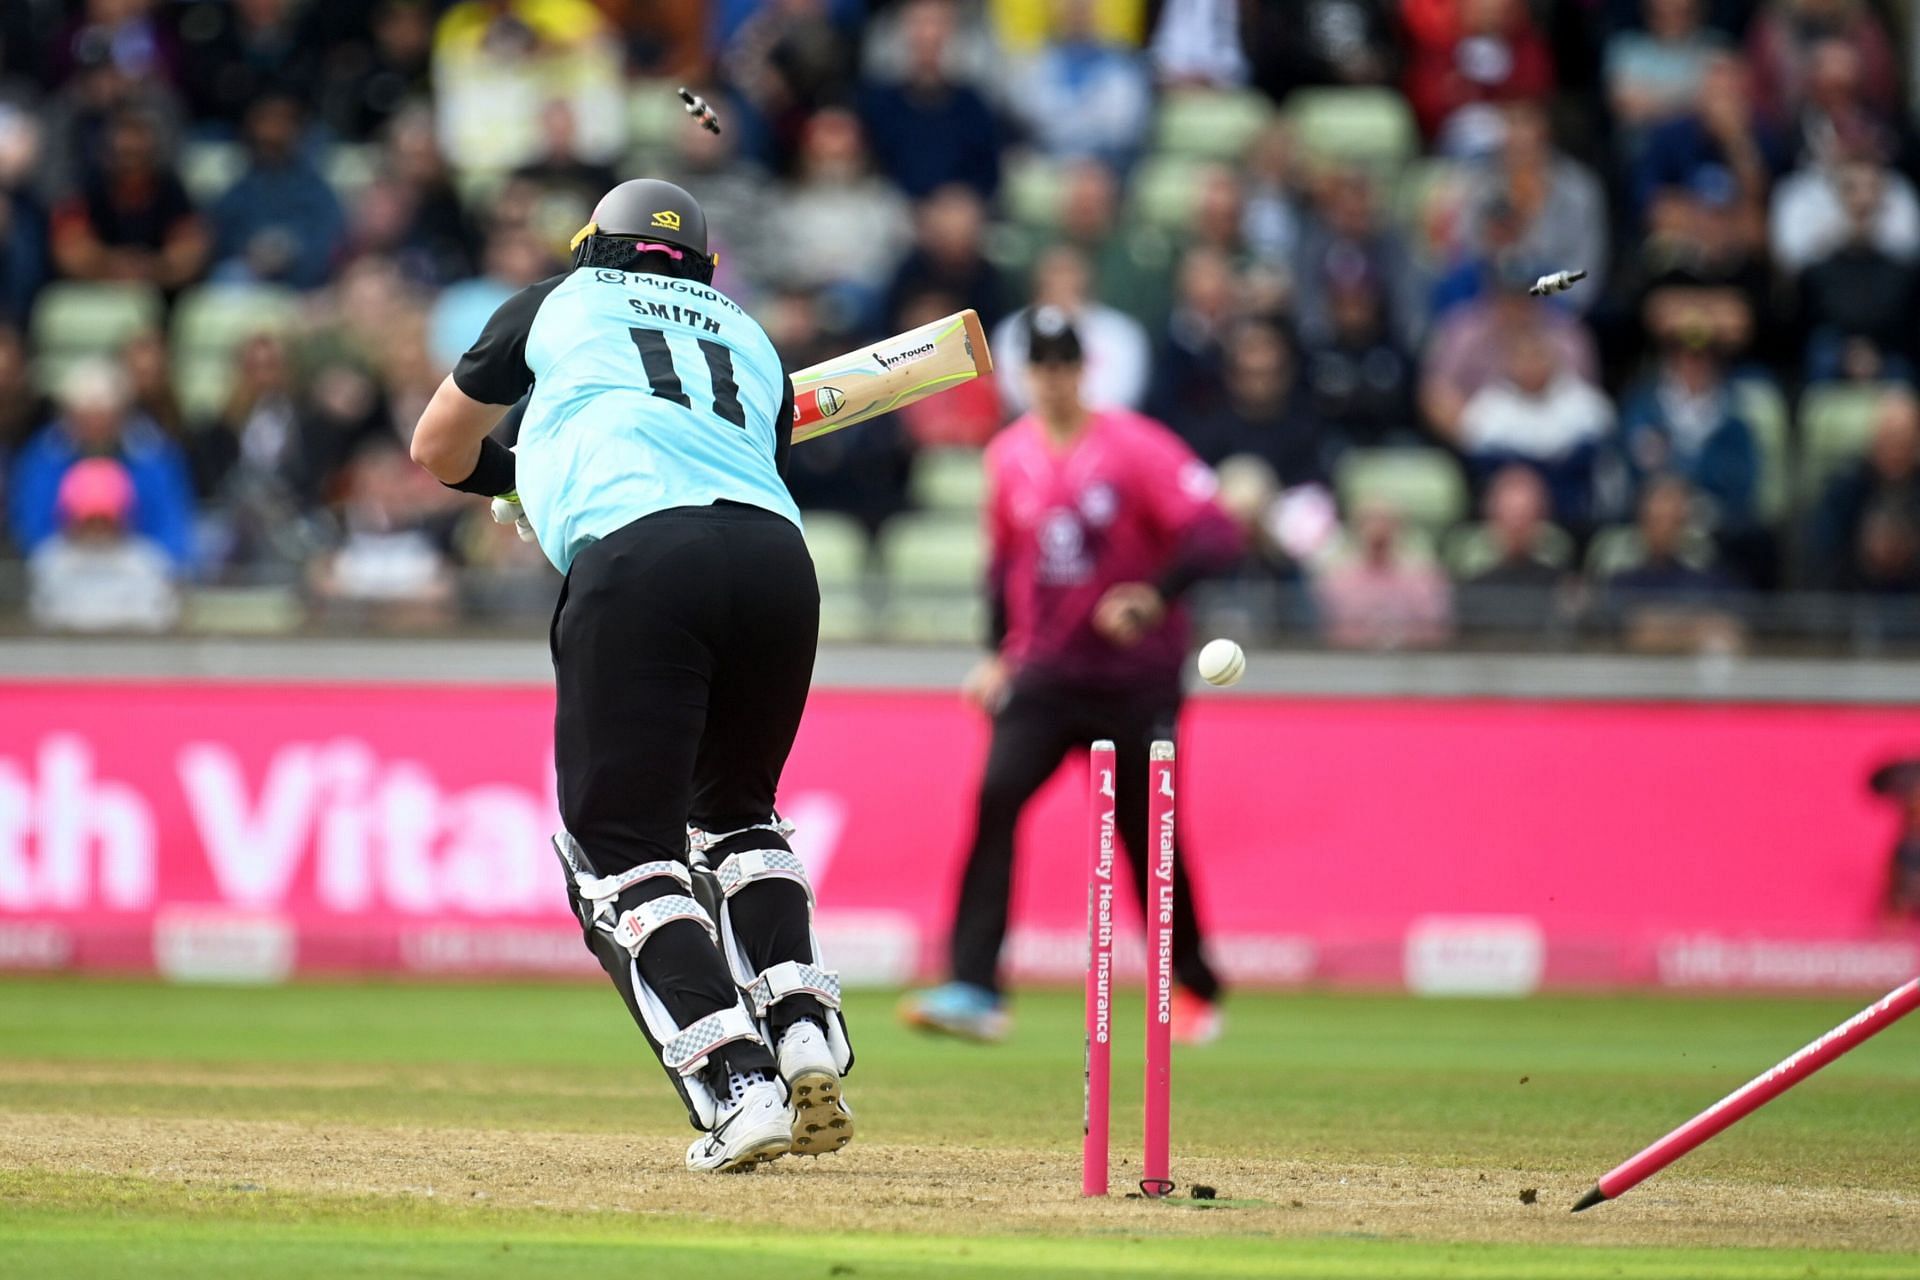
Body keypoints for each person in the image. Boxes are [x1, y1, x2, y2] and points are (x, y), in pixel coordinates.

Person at [408, 178, 853, 1173]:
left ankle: (737, 1086)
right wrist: (547, 465)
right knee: (739, 812)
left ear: (591, 248)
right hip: (778, 562)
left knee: (617, 847)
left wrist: (516, 474)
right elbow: (743, 453)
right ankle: (801, 1021)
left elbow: (436, 447)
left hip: (643, 557)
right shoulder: (749, 331)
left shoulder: (551, 305)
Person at [900, 310, 1242, 1046]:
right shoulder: (1009, 456)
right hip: (1047, 673)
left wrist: (1153, 597)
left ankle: (1194, 986)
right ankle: (975, 986)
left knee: (1148, 834)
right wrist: (997, 654)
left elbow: (1215, 532)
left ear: (1083, 370)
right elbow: (1001, 568)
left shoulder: (1136, 446)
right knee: (995, 799)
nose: (1052, 380)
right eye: (1041, 366)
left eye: (1064, 365)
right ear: (1028, 373)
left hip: (1135, 678)